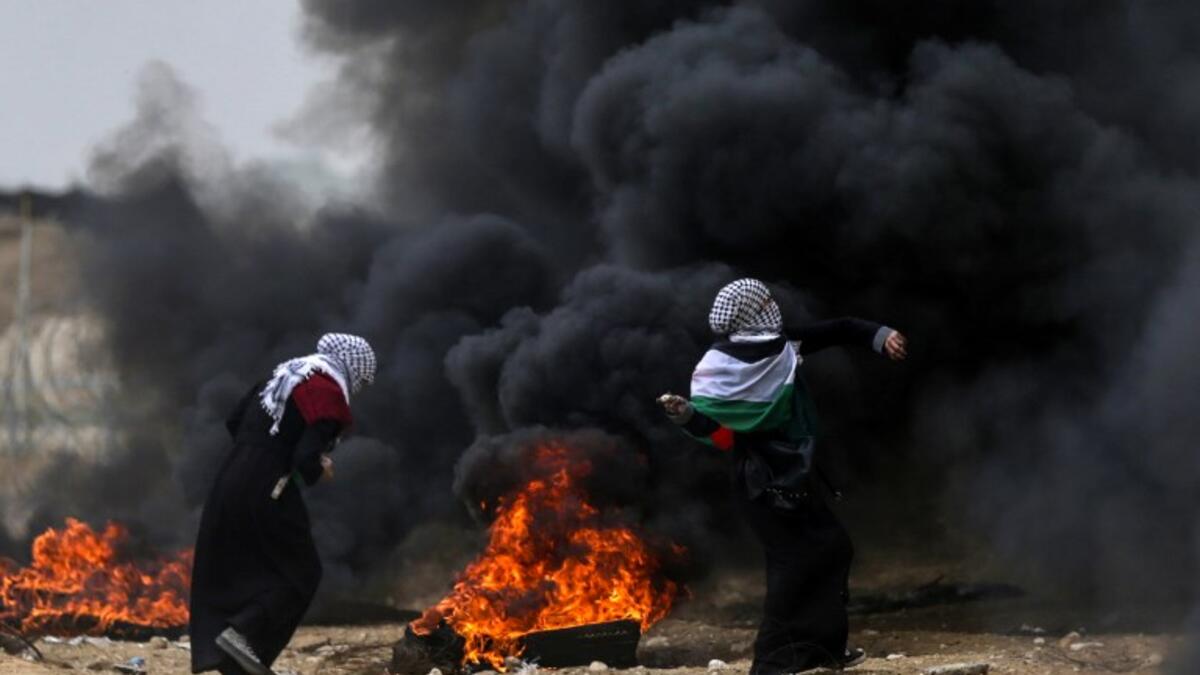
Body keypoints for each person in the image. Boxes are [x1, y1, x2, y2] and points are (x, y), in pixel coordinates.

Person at [658, 279, 906, 674]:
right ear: (750, 311)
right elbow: (724, 436)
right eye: (765, 300)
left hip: (792, 473)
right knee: (794, 563)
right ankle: (773, 663)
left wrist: (880, 336)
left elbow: (840, 328)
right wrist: (688, 416)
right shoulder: (721, 365)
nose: (774, 304)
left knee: (829, 550)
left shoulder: (783, 345)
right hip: (761, 478)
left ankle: (819, 649)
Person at [190, 333, 377, 675]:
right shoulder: (328, 394)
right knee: (302, 573)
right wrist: (318, 464)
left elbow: (234, 420)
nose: (357, 387)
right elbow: (305, 457)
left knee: (252, 567)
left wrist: (260, 449)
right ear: (351, 368)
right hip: (268, 485)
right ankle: (242, 634)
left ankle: (239, 665)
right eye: (360, 379)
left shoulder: (280, 376)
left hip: (229, 478)